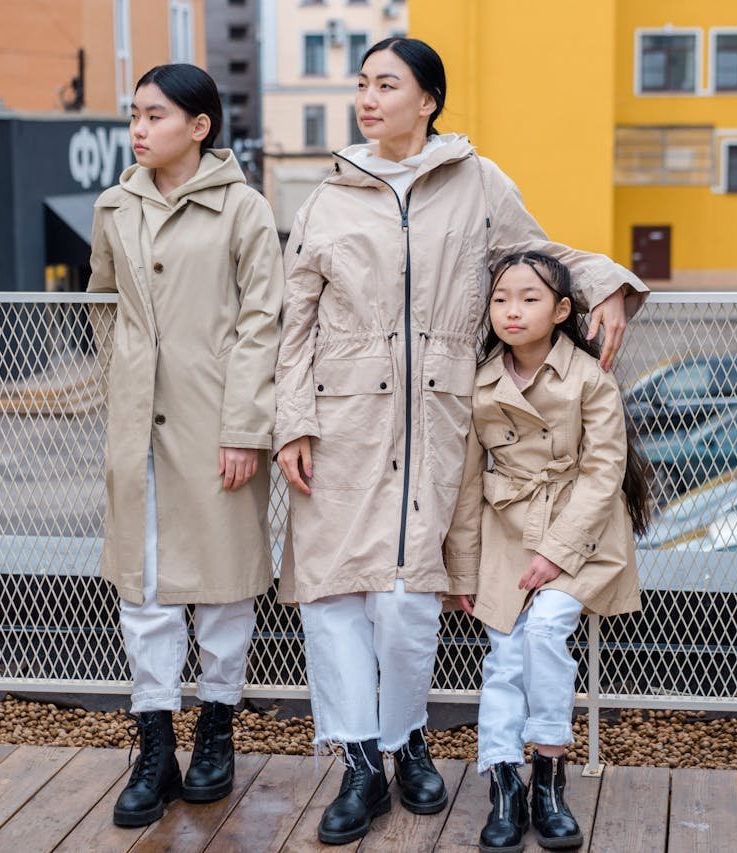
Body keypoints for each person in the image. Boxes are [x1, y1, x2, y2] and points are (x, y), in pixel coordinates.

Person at [273, 37, 648, 846]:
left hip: (443, 426)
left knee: (407, 600)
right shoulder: (326, 197)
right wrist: (292, 421)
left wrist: (611, 283)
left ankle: (406, 738)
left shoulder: (480, 184)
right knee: (333, 598)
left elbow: (539, 259)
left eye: (386, 84)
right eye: (363, 84)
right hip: (340, 426)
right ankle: (360, 762)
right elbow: (293, 317)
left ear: (428, 99)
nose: (368, 99)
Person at [87, 63, 284, 827]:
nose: (139, 129)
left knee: (226, 588)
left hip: (217, 424)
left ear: (199, 127)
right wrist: (124, 370)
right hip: (137, 424)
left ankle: (216, 732)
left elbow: (261, 321)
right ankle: (154, 745)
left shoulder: (244, 211)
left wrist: (244, 427)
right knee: (144, 587)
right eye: (134, 115)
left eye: (155, 116)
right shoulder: (116, 205)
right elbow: (102, 300)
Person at [445, 251, 649, 852]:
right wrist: (463, 566)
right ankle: (506, 784)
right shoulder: (479, 382)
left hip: (584, 536)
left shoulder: (590, 378)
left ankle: (551, 778)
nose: (512, 310)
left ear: (562, 311)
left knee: (545, 631)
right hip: (508, 532)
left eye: (530, 299)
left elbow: (604, 471)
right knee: (505, 654)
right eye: (502, 298)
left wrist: (557, 553)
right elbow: (465, 483)